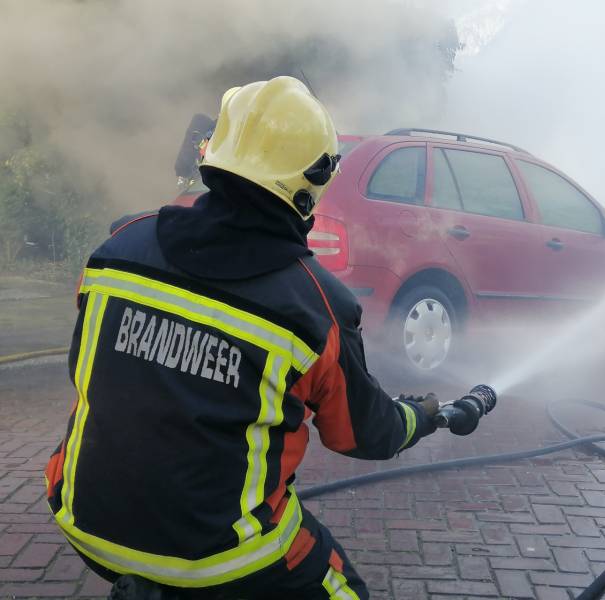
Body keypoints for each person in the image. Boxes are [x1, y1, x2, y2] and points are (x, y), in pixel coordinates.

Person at [44, 77, 442, 600]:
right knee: (346, 592)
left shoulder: (117, 247)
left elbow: (87, 366)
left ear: (215, 154)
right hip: (218, 557)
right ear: (315, 177)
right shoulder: (316, 307)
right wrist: (423, 416)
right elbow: (362, 436)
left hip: (80, 517)